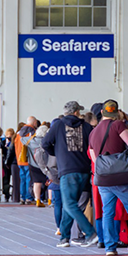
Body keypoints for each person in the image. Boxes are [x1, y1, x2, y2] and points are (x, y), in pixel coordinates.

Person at [89, 100, 128, 256]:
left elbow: (94, 157)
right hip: (119, 177)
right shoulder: (118, 125)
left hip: (102, 178)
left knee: (107, 212)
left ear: (102, 112)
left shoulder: (93, 131)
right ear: (116, 112)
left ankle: (110, 247)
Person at [41, 101, 98, 248]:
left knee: (69, 203)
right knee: (70, 203)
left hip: (67, 171)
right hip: (84, 171)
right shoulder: (86, 127)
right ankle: (64, 238)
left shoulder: (58, 125)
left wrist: (58, 154)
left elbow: (45, 143)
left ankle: (90, 233)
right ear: (76, 112)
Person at [15, 116, 37, 204]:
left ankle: (22, 197)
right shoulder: (32, 132)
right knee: (29, 179)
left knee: (23, 179)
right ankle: (28, 198)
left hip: (20, 160)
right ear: (34, 123)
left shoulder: (18, 133)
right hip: (28, 159)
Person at [27, 124, 50, 207]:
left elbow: (22, 138)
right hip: (45, 164)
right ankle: (50, 200)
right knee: (50, 181)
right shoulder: (46, 141)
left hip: (33, 163)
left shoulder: (31, 140)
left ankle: (37, 200)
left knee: (36, 183)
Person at [4, 127, 19, 203]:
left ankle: (12, 196)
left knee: (13, 180)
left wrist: (7, 162)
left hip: (12, 163)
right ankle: (10, 195)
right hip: (13, 162)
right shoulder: (10, 142)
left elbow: (10, 153)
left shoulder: (11, 142)